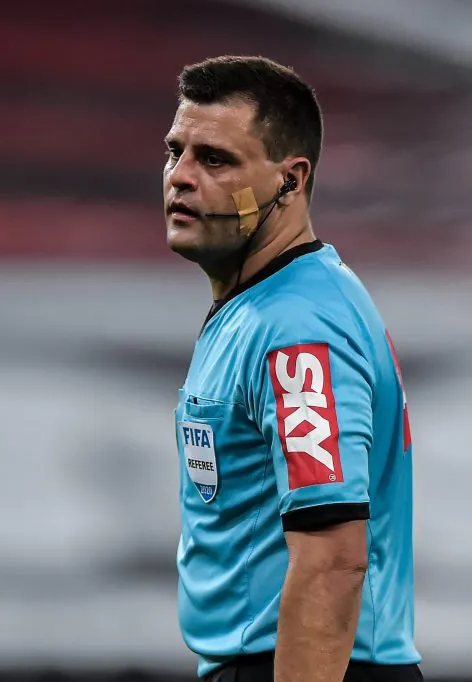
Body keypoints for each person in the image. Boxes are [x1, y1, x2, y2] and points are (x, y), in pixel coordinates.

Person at [164, 56, 421, 682]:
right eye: (176, 152)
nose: (180, 178)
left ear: (290, 179)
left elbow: (333, 558)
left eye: (215, 159)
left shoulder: (298, 329)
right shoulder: (263, 307)